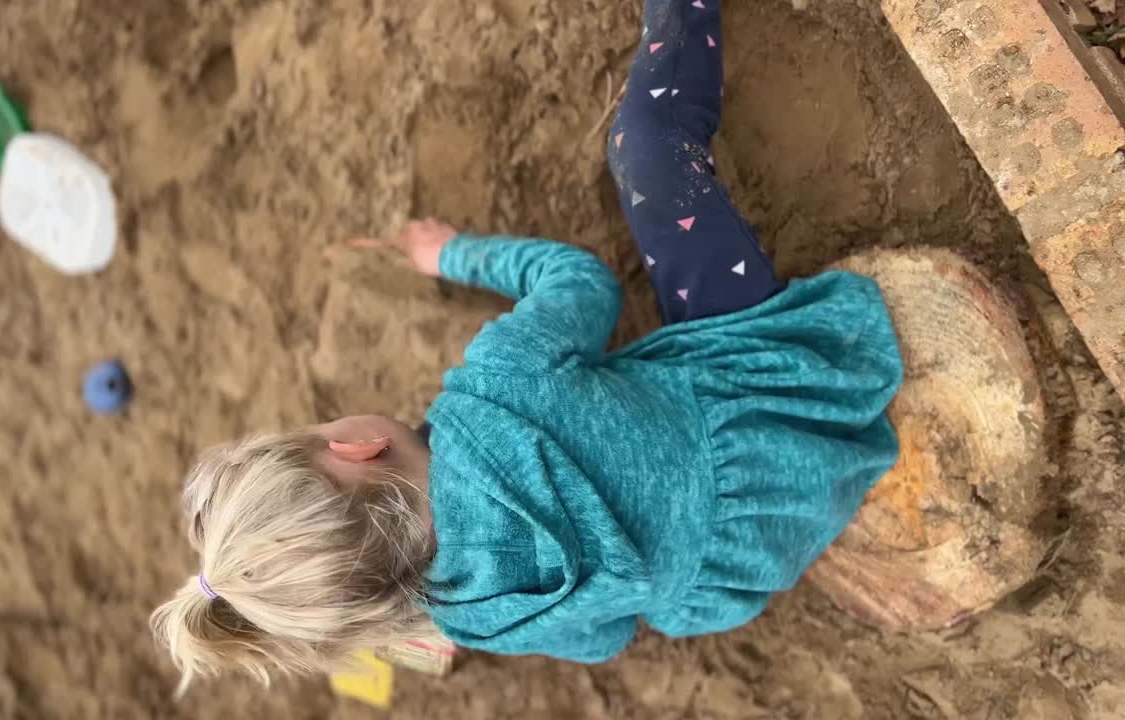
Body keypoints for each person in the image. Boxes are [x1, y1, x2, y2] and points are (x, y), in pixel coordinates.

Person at [151, 0, 903, 690]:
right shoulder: (496, 391)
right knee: (646, 150)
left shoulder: (469, 617)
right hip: (774, 399)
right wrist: (452, 255)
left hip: (750, 553)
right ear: (350, 447)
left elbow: (606, 636)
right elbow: (580, 280)